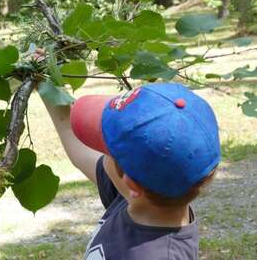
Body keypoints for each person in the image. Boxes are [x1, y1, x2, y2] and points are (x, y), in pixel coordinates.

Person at [42, 83, 220, 260]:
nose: (101, 154)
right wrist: (45, 82)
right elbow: (75, 143)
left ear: (131, 184)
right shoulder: (145, 195)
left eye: (106, 149)